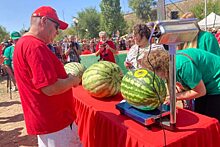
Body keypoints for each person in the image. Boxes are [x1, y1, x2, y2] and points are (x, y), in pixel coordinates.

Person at [13, 6, 82, 147]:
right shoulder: (35, 46)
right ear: (44, 21)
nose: (57, 32)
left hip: (50, 121)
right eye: (56, 27)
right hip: (55, 123)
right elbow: (50, 88)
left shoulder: (25, 43)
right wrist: (72, 80)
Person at [141, 48, 220, 121]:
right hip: (206, 83)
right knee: (201, 114)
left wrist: (174, 97)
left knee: (212, 118)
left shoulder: (182, 66)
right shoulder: (169, 65)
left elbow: (201, 91)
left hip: (216, 83)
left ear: (160, 68)